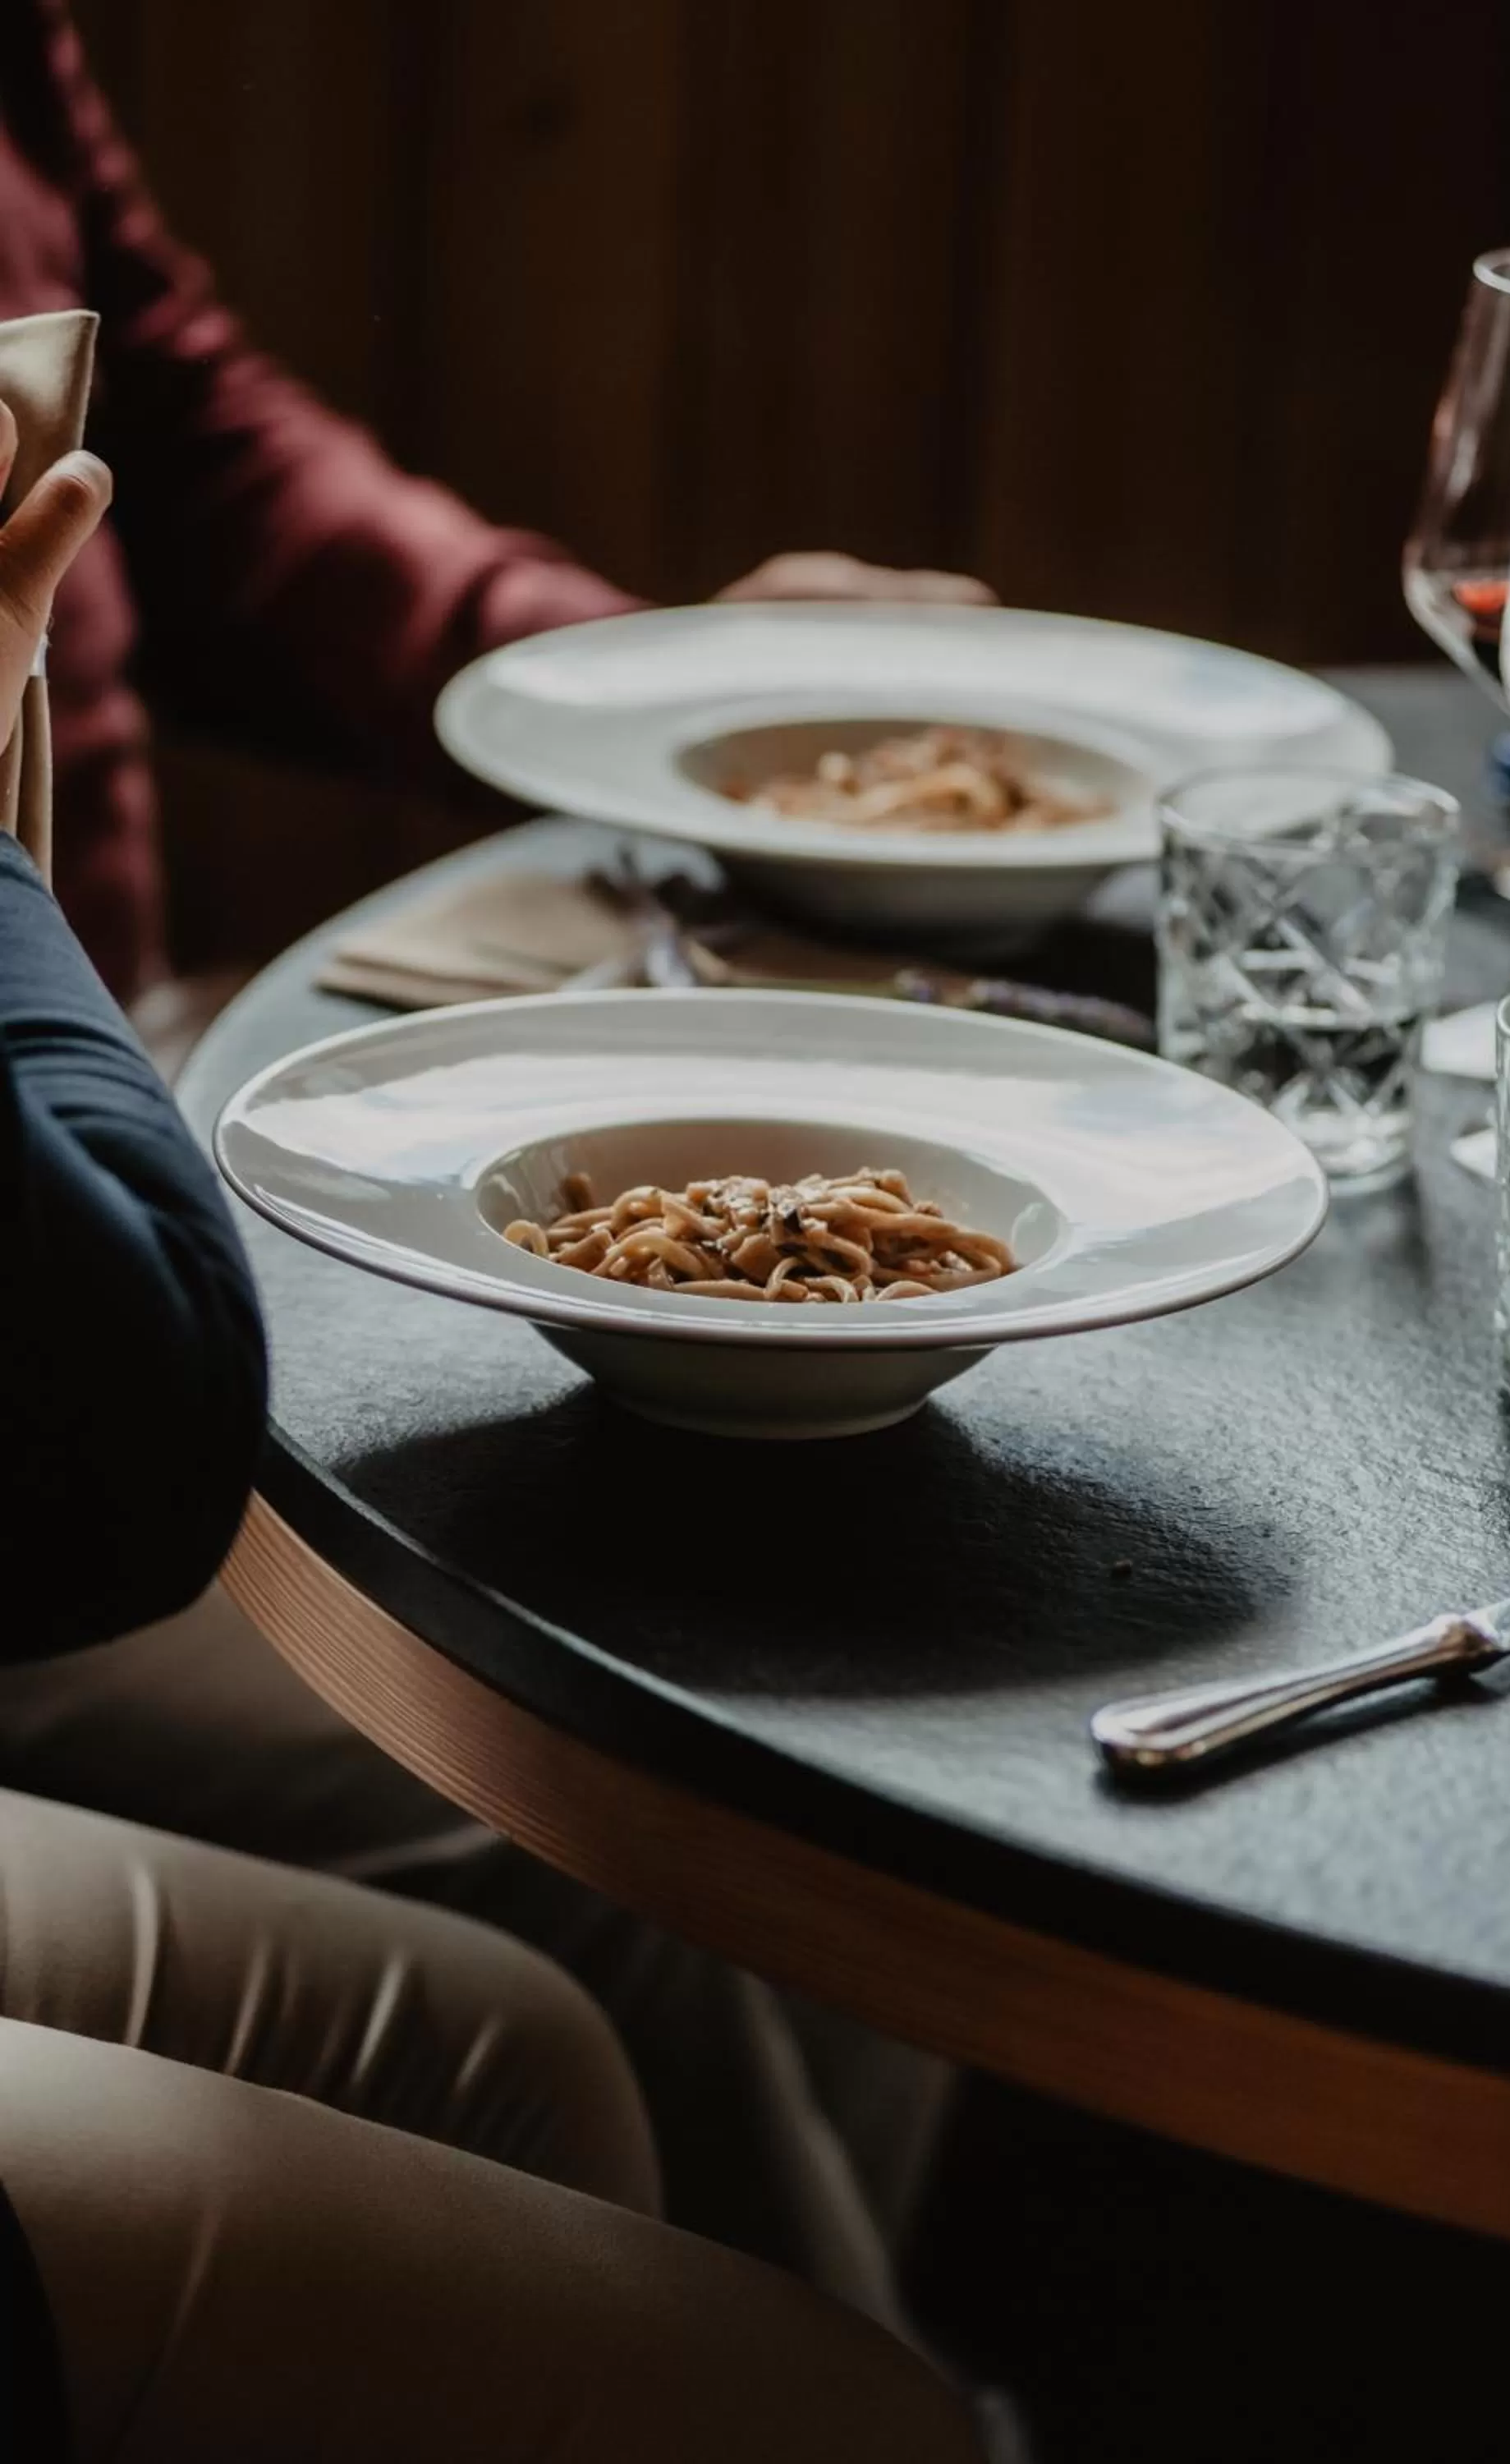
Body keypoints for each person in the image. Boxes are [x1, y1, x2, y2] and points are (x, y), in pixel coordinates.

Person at [0, 0, 979, 2318]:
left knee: (845, 1658)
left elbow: (197, 455)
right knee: (639, 1817)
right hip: (68, 1323)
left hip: (113, 1079)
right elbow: (106, 1437)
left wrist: (632, 689)